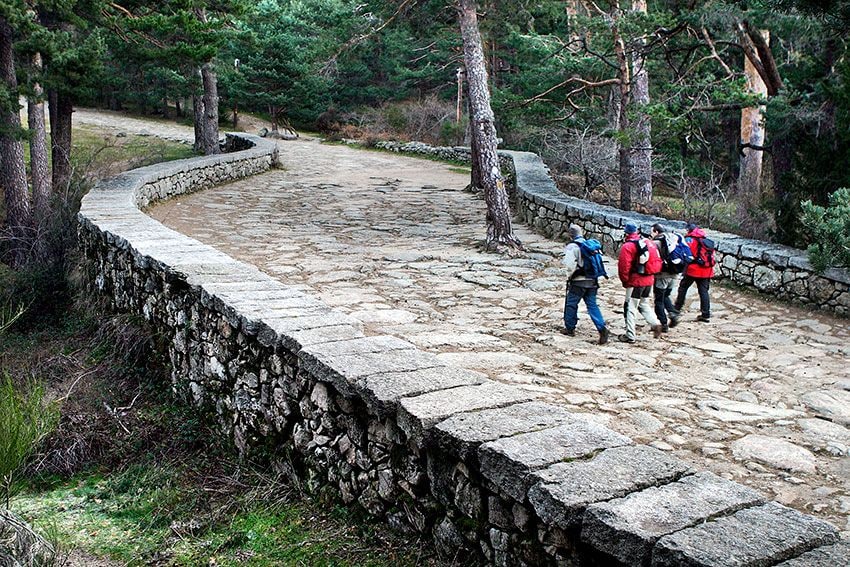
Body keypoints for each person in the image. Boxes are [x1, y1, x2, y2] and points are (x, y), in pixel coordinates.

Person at [562, 224, 610, 344]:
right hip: (593, 281)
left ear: (570, 235)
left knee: (571, 304)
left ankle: (570, 328)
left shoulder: (572, 247)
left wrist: (569, 277)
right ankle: (601, 327)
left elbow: (569, 265)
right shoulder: (591, 245)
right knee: (592, 305)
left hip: (578, 281)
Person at [617, 223, 663, 343]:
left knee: (630, 307)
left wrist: (625, 281)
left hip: (636, 281)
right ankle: (655, 324)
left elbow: (624, 267)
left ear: (626, 233)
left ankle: (630, 335)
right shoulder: (647, 243)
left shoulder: (628, 246)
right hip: (649, 280)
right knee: (643, 304)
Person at [673, 223, 714, 323]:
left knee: (683, 287)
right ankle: (706, 314)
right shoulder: (704, 239)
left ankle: (677, 309)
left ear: (689, 230)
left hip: (693, 269)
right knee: (703, 292)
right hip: (707, 270)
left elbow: (686, 252)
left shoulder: (690, 239)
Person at [651, 223, 681, 332]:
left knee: (659, 299)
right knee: (666, 296)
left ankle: (663, 324)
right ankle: (673, 313)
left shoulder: (656, 243)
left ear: (656, 232)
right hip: (674, 274)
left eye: (652, 232)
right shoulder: (672, 240)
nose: (651, 234)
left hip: (662, 275)